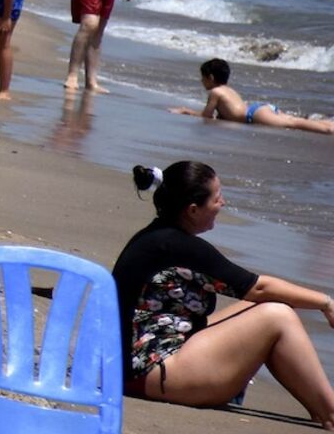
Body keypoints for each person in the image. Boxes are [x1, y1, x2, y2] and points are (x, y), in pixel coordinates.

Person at [114, 162, 334, 424]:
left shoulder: (156, 236)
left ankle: (323, 409)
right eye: (217, 199)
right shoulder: (180, 247)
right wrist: (326, 303)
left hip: (132, 365)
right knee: (277, 315)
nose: (223, 203)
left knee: (269, 307)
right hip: (150, 373)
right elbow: (257, 287)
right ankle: (330, 410)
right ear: (193, 210)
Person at [171, 59, 334, 135]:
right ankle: (328, 123)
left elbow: (207, 115)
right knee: (294, 120)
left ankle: (328, 129)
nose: (201, 81)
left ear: (211, 78)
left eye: (203, 77)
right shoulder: (229, 90)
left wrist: (186, 111)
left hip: (254, 115)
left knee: (295, 123)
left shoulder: (215, 92)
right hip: (258, 109)